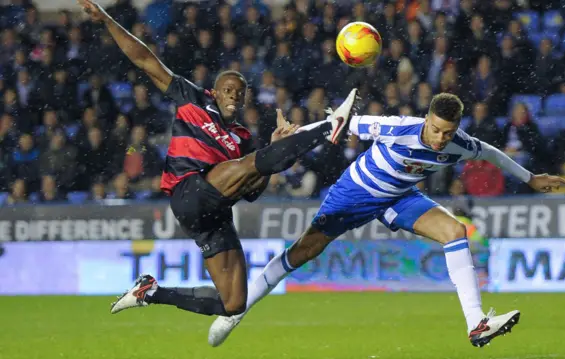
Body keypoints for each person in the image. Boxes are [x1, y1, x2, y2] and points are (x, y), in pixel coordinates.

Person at [209, 93, 565, 348]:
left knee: (455, 230)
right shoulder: (398, 127)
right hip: (355, 193)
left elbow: (490, 152)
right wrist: (297, 135)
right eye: (436, 130)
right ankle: (236, 310)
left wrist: (530, 178)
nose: (441, 139)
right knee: (302, 252)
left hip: (400, 197)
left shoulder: (459, 143)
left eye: (448, 132)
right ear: (426, 120)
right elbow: (342, 122)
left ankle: (476, 323)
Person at [78, 0, 357, 320]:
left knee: (234, 303)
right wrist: (108, 20)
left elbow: (252, 190)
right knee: (249, 163)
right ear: (214, 91)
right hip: (188, 191)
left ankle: (151, 292)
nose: (233, 96)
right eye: (227, 90)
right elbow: (144, 59)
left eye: (239, 93)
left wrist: (272, 147)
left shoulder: (242, 137)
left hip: (213, 216)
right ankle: (327, 129)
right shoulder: (191, 97)